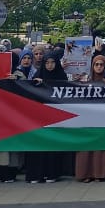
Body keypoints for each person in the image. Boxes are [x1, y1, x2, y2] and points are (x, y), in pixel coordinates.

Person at [23, 54, 68, 183]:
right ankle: (35, 174)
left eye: (52, 62)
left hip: (55, 117)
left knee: (52, 145)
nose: (49, 65)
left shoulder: (61, 76)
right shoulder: (37, 75)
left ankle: (52, 174)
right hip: (38, 117)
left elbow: (65, 91)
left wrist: (48, 85)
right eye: (47, 62)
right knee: (37, 145)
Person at [74, 55, 105, 182]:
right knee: (86, 146)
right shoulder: (85, 79)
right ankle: (84, 174)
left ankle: (100, 174)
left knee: (101, 147)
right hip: (87, 119)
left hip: (103, 119)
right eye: (96, 64)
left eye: (101, 64)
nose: (98, 67)